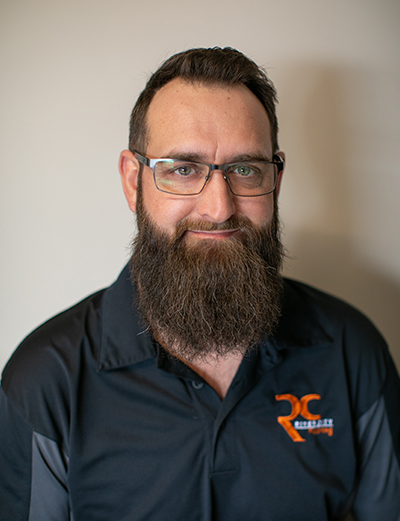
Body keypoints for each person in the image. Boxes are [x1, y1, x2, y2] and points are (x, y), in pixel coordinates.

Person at [1, 47, 399, 521]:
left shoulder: (350, 351)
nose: (219, 208)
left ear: (276, 180)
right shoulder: (47, 381)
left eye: (245, 169)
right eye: (183, 169)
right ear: (133, 181)